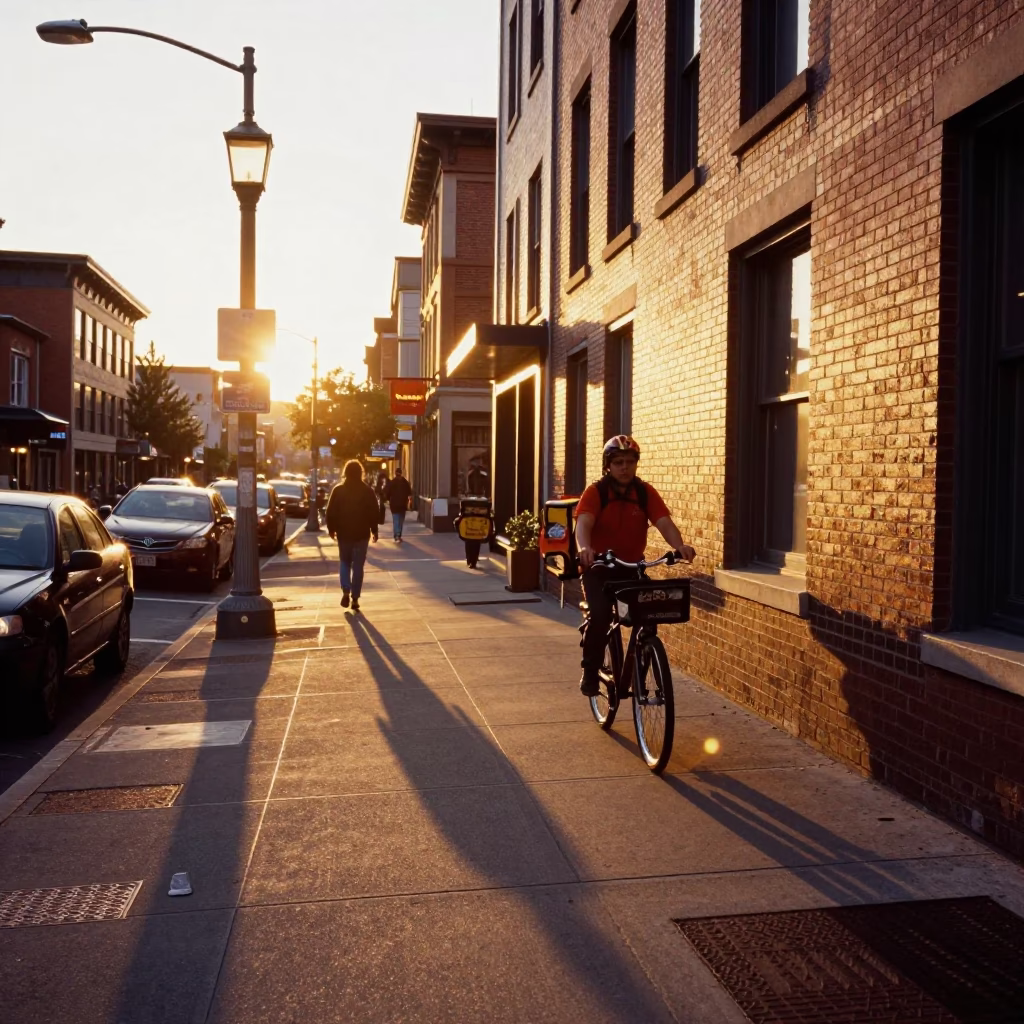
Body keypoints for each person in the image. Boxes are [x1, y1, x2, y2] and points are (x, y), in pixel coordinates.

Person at [574, 435, 696, 697]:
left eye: (630, 462)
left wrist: (680, 546)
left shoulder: (644, 492)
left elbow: (664, 522)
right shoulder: (595, 492)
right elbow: (583, 523)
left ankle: (641, 660)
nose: (625, 467)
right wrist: (585, 549)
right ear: (608, 465)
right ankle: (591, 671)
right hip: (599, 569)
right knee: (601, 616)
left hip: (631, 568)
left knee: (651, 614)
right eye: (618, 462)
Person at [325, 459, 379, 611]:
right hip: (362, 533)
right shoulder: (367, 491)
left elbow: (330, 512)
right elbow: (373, 512)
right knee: (358, 566)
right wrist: (374, 530)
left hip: (344, 533)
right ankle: (355, 598)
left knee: (344, 562)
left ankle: (346, 589)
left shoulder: (338, 490)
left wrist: (331, 528)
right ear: (361, 473)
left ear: (346, 473)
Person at [384, 467, 412, 543]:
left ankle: (396, 535)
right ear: (401, 473)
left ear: (395, 473)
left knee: (396, 520)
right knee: (400, 521)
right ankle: (399, 534)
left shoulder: (392, 482)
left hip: (394, 505)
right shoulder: (405, 482)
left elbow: (387, 493)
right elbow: (410, 493)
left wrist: (389, 499)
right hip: (403, 505)